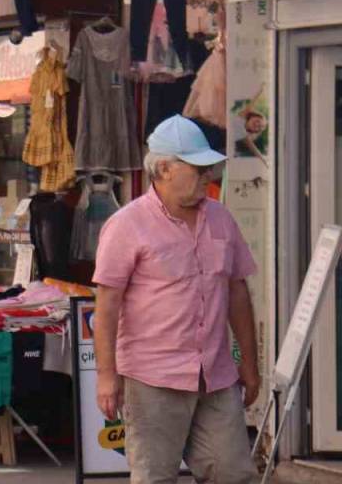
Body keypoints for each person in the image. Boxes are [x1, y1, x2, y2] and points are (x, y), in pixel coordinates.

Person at [93, 115, 259, 484]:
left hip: (215, 375)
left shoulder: (221, 219)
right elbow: (106, 306)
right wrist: (107, 376)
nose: (206, 176)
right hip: (153, 377)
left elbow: (237, 293)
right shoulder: (126, 224)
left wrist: (249, 363)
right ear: (164, 169)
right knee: (155, 476)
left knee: (234, 473)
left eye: (208, 168)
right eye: (197, 168)